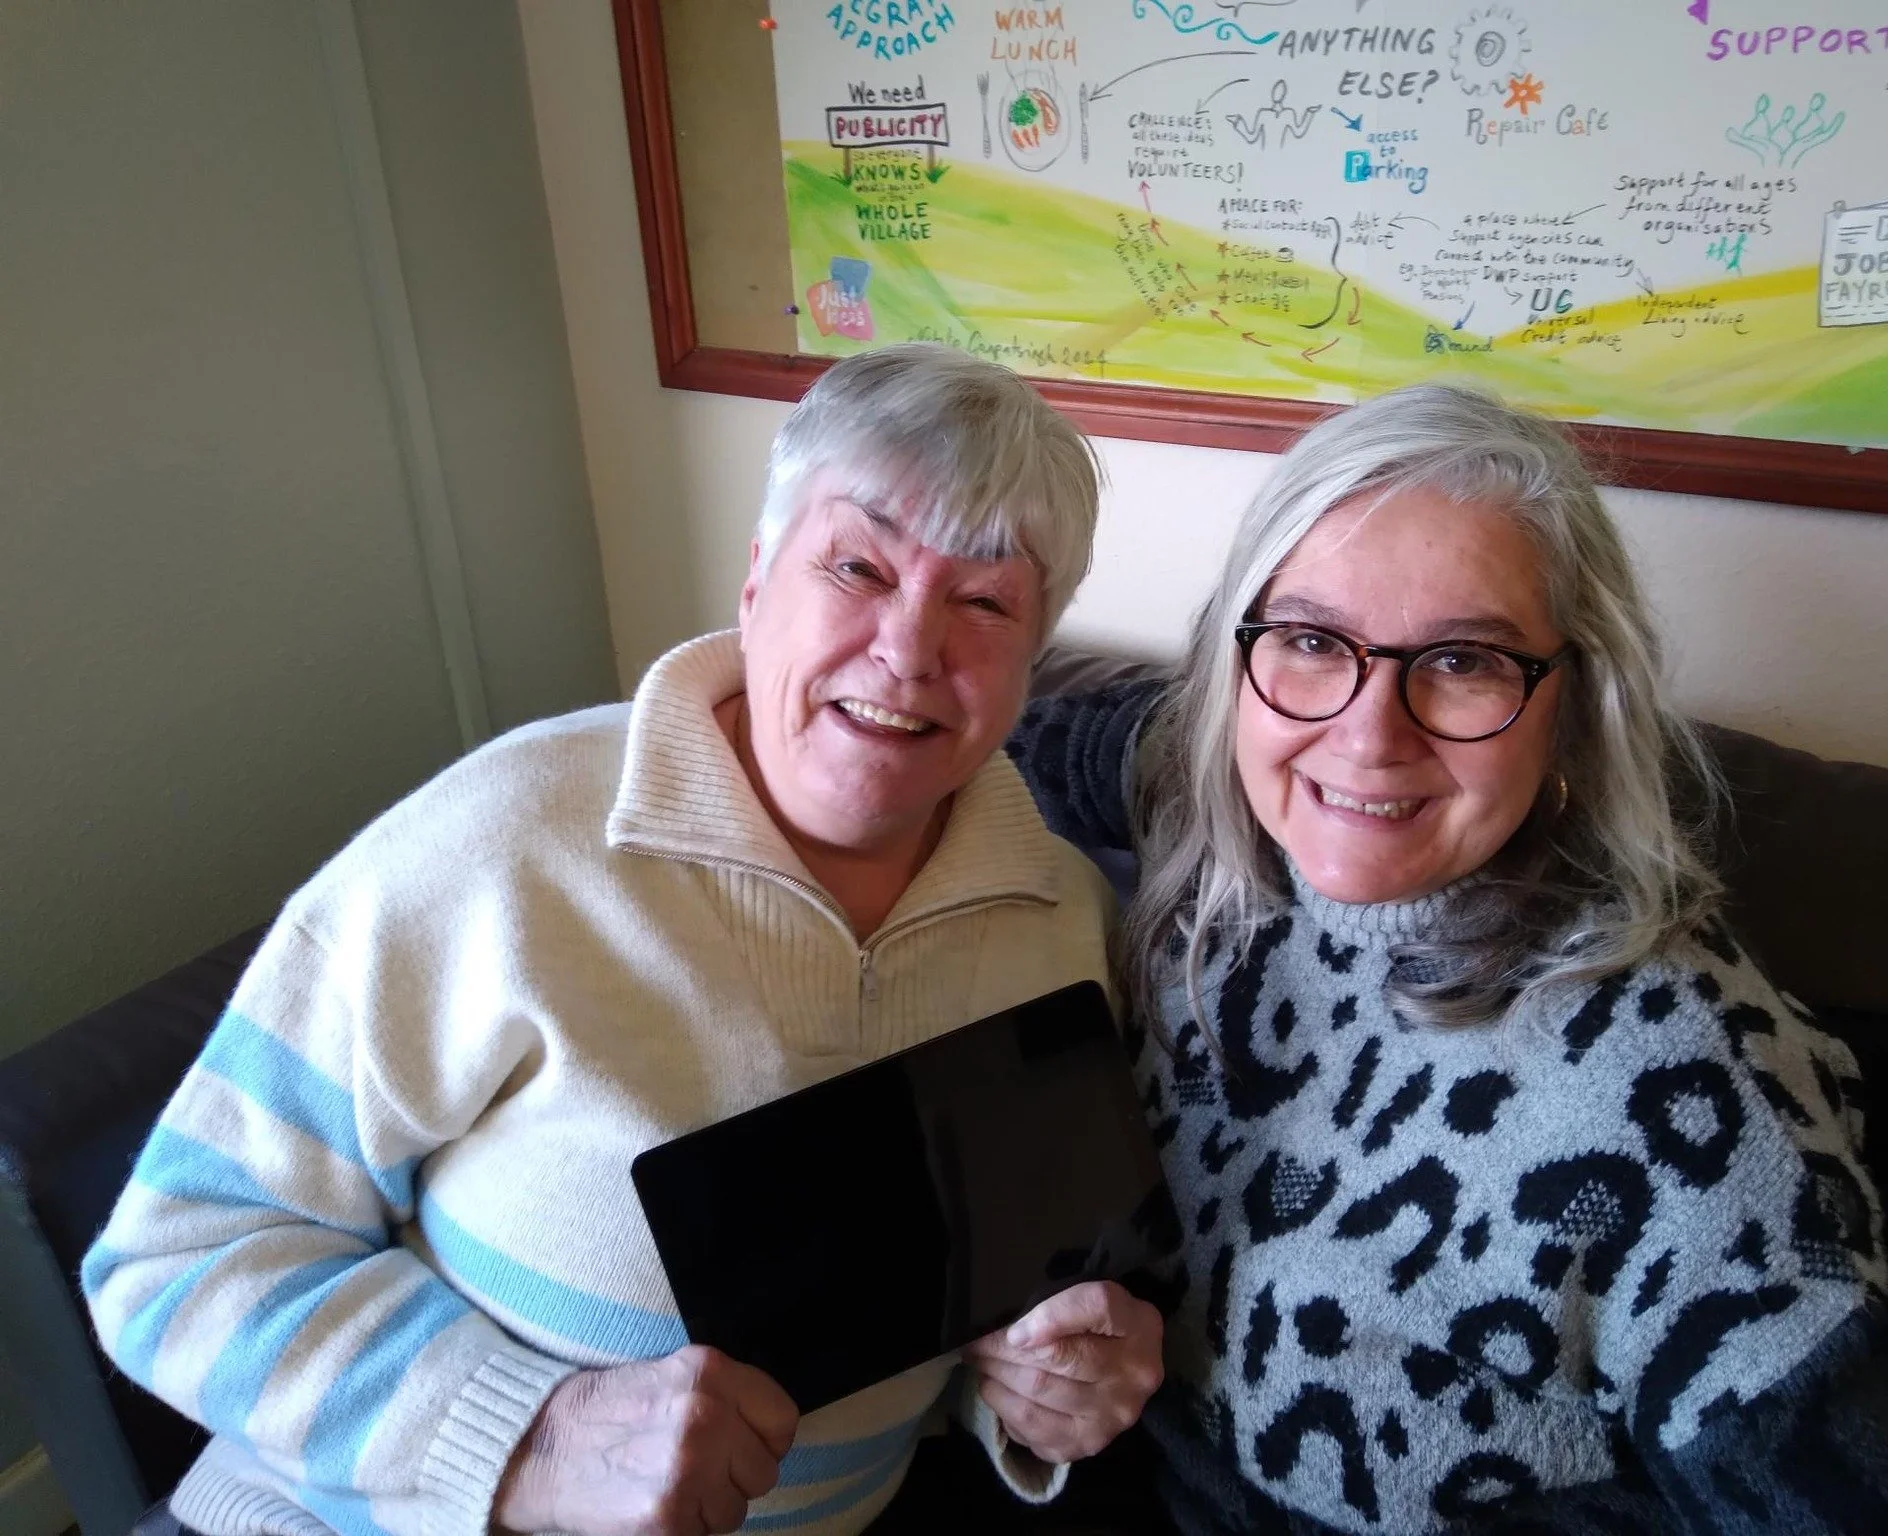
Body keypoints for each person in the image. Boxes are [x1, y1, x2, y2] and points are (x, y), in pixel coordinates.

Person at [84, 343, 1165, 1536]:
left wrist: (1029, 1392)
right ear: (756, 581)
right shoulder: (502, 841)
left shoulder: (1063, 927)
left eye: (983, 601)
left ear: (1030, 660)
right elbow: (172, 1257)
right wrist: (530, 1437)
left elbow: (939, 1304)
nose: (908, 650)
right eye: (855, 565)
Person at [1007, 385, 1888, 1533]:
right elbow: (962, 731)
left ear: (1573, 709)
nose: (1368, 735)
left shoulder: (1678, 1091)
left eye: (1463, 662)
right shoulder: (1215, 790)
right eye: (1314, 640)